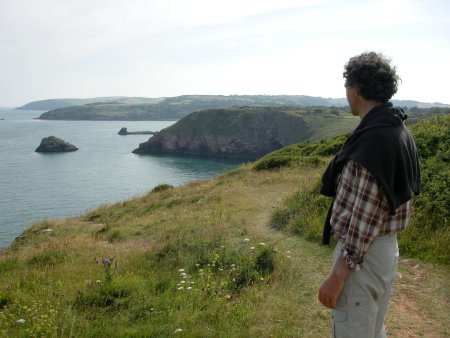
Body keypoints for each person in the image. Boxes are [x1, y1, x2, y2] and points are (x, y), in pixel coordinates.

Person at [317, 52, 421, 338]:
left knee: (354, 330)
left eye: (347, 85)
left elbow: (364, 218)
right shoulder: (396, 128)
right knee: (372, 330)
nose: (346, 93)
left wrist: (338, 276)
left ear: (358, 89)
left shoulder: (374, 140)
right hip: (384, 250)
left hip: (362, 257)